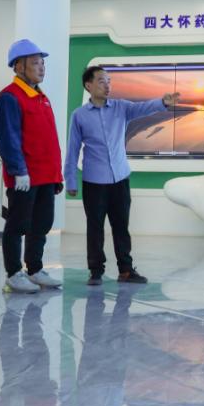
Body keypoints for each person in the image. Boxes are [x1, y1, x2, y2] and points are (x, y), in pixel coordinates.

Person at [64, 66, 179, 286]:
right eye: (101, 81)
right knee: (95, 228)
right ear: (88, 85)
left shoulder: (121, 107)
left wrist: (163, 103)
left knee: (121, 227)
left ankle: (126, 270)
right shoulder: (79, 116)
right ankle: (95, 271)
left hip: (120, 179)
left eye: (109, 81)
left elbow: (143, 108)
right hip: (94, 181)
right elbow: (73, 149)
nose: (107, 85)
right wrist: (70, 179)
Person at [0, 39, 64, 294]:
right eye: (35, 63)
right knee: (18, 224)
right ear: (18, 66)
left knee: (41, 225)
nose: (41, 67)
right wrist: (18, 171)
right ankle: (14, 273)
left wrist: (56, 175)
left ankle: (34, 269)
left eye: (42, 63)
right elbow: (9, 137)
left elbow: (49, 139)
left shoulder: (41, 97)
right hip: (25, 177)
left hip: (46, 176)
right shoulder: (10, 97)